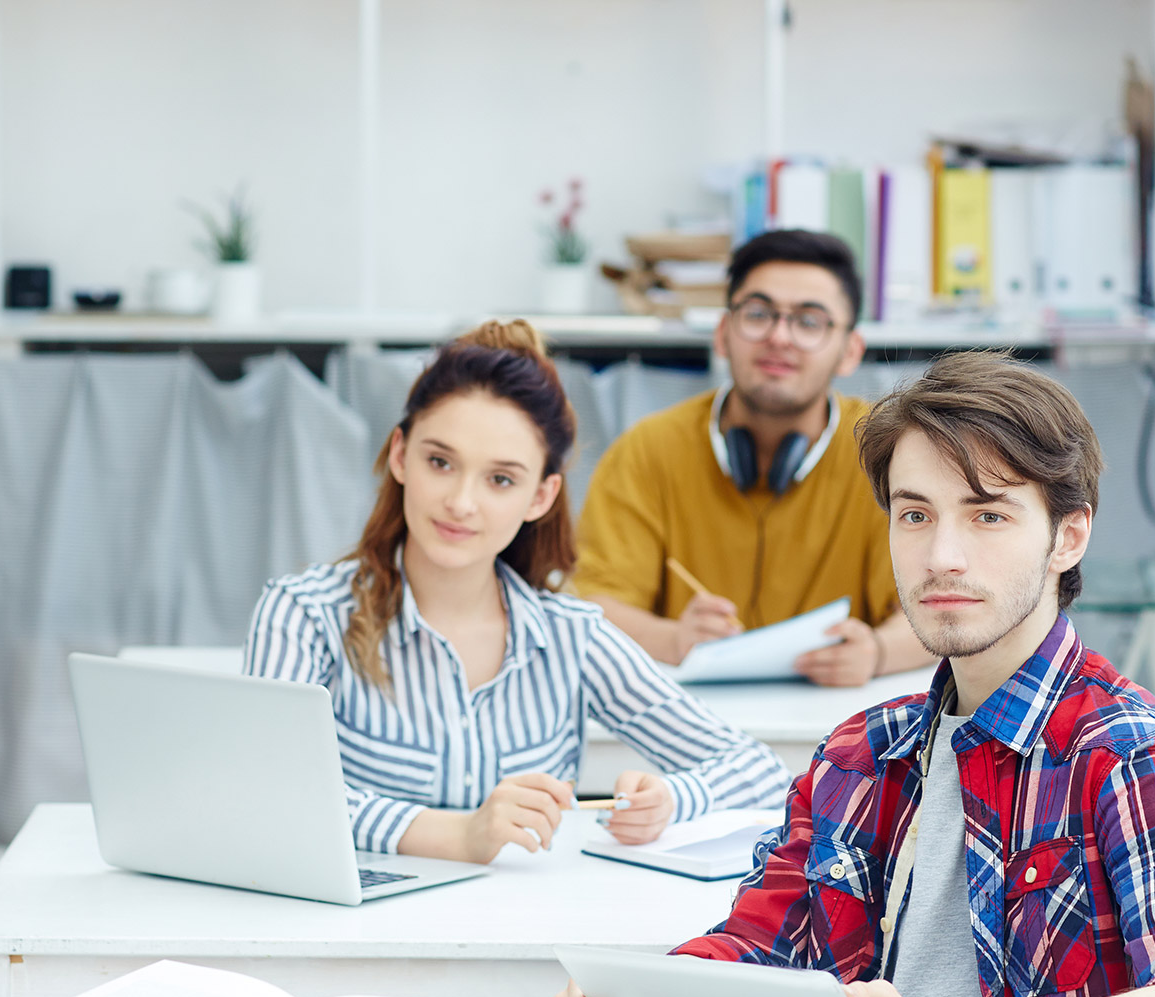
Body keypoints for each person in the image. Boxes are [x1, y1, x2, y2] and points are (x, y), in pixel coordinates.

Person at [551, 352, 1155, 997]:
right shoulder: (859, 756)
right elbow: (756, 945)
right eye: (915, 514)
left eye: (987, 514)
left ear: (1068, 537)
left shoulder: (1126, 748)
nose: (942, 556)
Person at [243, 320, 789, 864]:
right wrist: (458, 836)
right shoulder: (303, 614)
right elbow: (262, 788)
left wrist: (672, 799)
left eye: (500, 479)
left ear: (541, 496)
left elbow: (763, 772)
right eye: (441, 462)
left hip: (525, 929)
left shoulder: (572, 636)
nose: (461, 502)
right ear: (399, 455)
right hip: (352, 932)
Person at [573, 229, 932, 686]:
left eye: (810, 321)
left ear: (850, 351)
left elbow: (943, 601)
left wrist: (879, 652)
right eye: (758, 314)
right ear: (723, 334)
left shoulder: (893, 452)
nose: (779, 337)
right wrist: (672, 639)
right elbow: (592, 606)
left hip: (842, 726)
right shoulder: (646, 450)